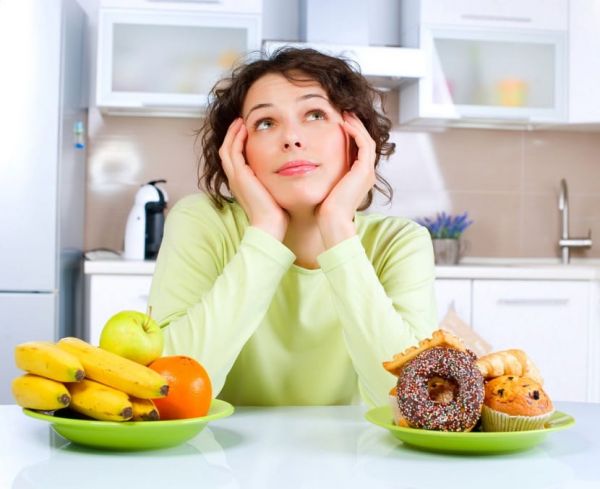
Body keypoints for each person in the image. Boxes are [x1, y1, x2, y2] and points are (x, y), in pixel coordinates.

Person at [148, 47, 437, 407]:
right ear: (239, 151)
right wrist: (266, 231)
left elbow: (410, 403)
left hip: (360, 458)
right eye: (265, 123)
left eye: (315, 114)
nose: (291, 138)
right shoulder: (202, 222)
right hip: (219, 457)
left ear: (356, 138)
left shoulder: (400, 243)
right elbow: (168, 391)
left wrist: (337, 230)